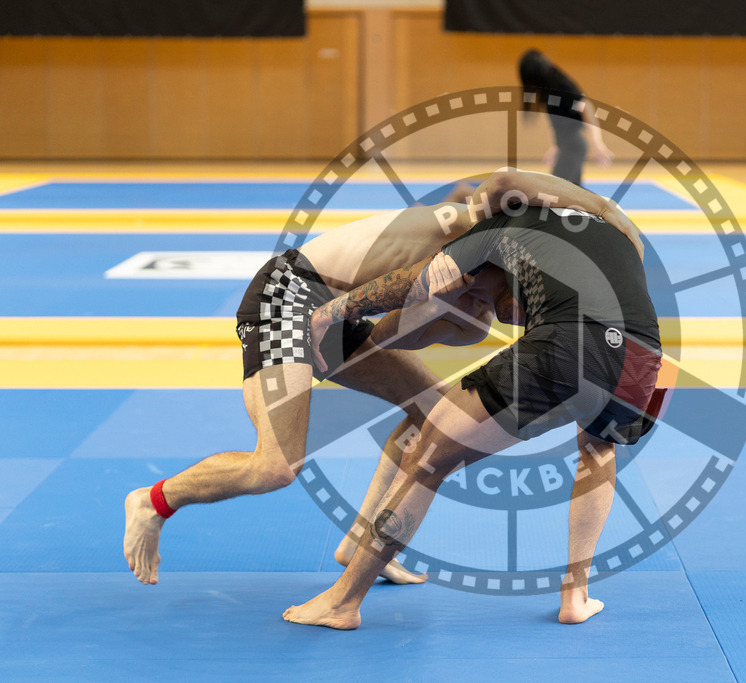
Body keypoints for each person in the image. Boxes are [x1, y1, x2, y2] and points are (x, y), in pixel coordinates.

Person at [122, 168, 644, 588]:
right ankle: (153, 500)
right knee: (274, 467)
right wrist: (607, 209)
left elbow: (383, 340)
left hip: (338, 315)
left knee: (433, 415)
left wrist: (418, 316)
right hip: (289, 294)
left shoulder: (471, 317)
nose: (516, 319)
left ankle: (360, 542)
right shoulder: (477, 232)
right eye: (518, 306)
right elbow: (503, 183)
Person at [282, 197, 662, 630]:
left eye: (474, 286)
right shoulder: (605, 232)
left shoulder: (496, 230)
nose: (473, 297)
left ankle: (343, 601)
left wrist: (331, 312)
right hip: (642, 358)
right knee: (598, 451)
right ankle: (576, 596)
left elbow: (412, 282)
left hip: (571, 342)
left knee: (426, 456)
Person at [519, 48, 613, 185]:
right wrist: (555, 146)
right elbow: (556, 122)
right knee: (571, 192)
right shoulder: (547, 89)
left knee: (554, 189)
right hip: (567, 146)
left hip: (573, 146)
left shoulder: (559, 84)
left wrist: (596, 143)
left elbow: (586, 106)